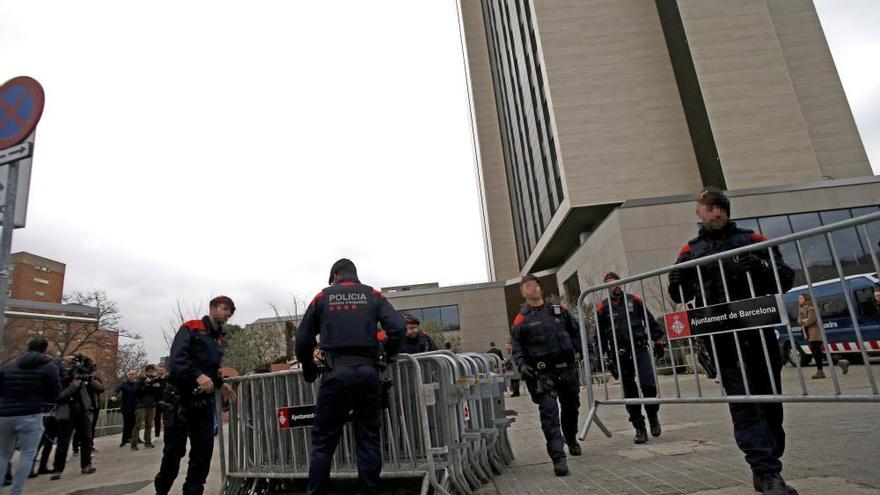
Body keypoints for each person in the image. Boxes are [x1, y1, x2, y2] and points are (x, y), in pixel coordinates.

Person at [668, 187, 796, 495]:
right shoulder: (690, 250)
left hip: (757, 331)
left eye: (717, 207)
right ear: (699, 213)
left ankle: (767, 461)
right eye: (706, 207)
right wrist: (676, 282)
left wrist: (761, 267)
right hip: (722, 338)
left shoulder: (753, 240)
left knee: (768, 402)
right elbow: (680, 295)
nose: (712, 213)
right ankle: (766, 471)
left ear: (725, 211)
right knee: (743, 403)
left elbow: (785, 278)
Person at [295, 258, 405, 495]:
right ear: (354, 275)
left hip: (335, 376)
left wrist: (309, 369)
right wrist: (389, 353)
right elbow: (398, 327)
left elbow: (302, 339)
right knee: (367, 439)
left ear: (335, 277)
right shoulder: (373, 295)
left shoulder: (323, 297)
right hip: (368, 374)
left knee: (323, 443)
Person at [154, 295, 237, 495]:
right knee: (174, 453)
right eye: (222, 308)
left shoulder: (220, 338)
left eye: (229, 311)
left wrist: (220, 383)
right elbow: (177, 360)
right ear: (212, 308)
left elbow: (212, 368)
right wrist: (197, 375)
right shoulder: (191, 327)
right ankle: (161, 490)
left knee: (203, 452)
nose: (225, 313)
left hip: (202, 402)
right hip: (179, 400)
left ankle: (192, 492)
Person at [510, 273, 583, 476]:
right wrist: (522, 365)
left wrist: (588, 353)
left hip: (566, 370)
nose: (529, 288)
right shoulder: (521, 319)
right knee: (549, 415)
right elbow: (517, 348)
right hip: (543, 375)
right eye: (525, 286)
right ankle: (558, 457)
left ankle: (571, 436)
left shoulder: (558, 311)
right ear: (523, 293)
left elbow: (576, 333)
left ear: (539, 288)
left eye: (532, 284)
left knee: (571, 408)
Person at [595, 271, 666, 444]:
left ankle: (653, 416)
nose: (613, 286)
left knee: (648, 385)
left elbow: (649, 320)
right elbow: (599, 336)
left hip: (640, 349)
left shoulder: (634, 300)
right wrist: (600, 356)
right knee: (630, 392)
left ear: (622, 283)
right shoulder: (602, 308)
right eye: (609, 284)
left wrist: (658, 340)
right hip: (620, 354)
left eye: (615, 282)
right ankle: (639, 427)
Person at [0, 338, 61, 495]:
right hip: (31, 413)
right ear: (45, 349)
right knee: (28, 454)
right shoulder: (48, 367)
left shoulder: (9, 366)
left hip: (5, 414)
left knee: (3, 454)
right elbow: (55, 393)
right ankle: (16, 491)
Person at [51, 354, 103, 479]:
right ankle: (57, 469)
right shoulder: (61, 378)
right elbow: (58, 397)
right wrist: (72, 386)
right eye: (70, 362)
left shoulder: (83, 376)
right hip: (66, 411)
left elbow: (100, 388)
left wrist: (88, 377)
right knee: (63, 441)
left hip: (82, 411)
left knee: (86, 439)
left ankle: (86, 465)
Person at [797, 293, 848, 379]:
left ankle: (820, 371)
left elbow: (811, 320)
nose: (799, 300)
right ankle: (840, 363)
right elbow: (798, 320)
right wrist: (803, 320)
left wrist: (804, 321)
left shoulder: (811, 308)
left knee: (816, 352)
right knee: (817, 353)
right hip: (809, 333)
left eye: (801, 298)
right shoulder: (801, 309)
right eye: (799, 298)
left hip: (815, 333)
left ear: (806, 299)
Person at [131, 365, 162, 450]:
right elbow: (136, 392)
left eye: (153, 371)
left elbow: (157, 393)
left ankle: (147, 442)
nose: (151, 373)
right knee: (138, 425)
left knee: (149, 425)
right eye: (150, 371)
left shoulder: (155, 381)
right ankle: (134, 443)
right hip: (141, 406)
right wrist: (145, 384)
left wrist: (156, 386)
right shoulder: (141, 380)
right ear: (146, 372)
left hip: (151, 405)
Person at [112, 370, 139, 448]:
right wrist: (114, 395)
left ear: (135, 375)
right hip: (126, 407)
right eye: (130, 374)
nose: (131, 376)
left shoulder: (138, 384)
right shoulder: (124, 384)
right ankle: (124, 440)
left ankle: (135, 439)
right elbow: (117, 390)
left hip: (136, 407)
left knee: (135, 424)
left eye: (133, 374)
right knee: (127, 424)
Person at [154, 366, 167, 438]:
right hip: (158, 402)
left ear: (165, 370)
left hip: (167, 402)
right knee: (157, 418)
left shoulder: (169, 379)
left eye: (162, 369)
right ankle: (157, 434)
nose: (161, 371)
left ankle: (167, 432)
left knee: (167, 418)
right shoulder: (156, 380)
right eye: (159, 370)